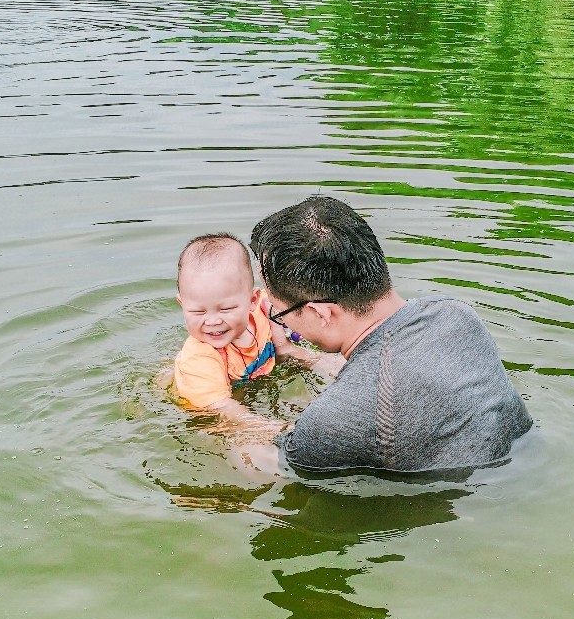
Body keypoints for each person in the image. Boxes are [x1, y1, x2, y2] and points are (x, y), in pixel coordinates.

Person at [250, 196, 533, 472]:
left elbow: (271, 462)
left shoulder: (333, 420)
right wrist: (294, 352)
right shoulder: (455, 314)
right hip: (524, 465)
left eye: (278, 312)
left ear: (321, 313)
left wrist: (216, 407)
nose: (279, 320)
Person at [172, 233, 278, 419]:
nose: (212, 321)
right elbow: (223, 408)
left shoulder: (263, 309)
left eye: (226, 309)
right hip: (207, 413)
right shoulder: (200, 356)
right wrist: (271, 428)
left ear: (251, 300)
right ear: (183, 305)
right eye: (198, 312)